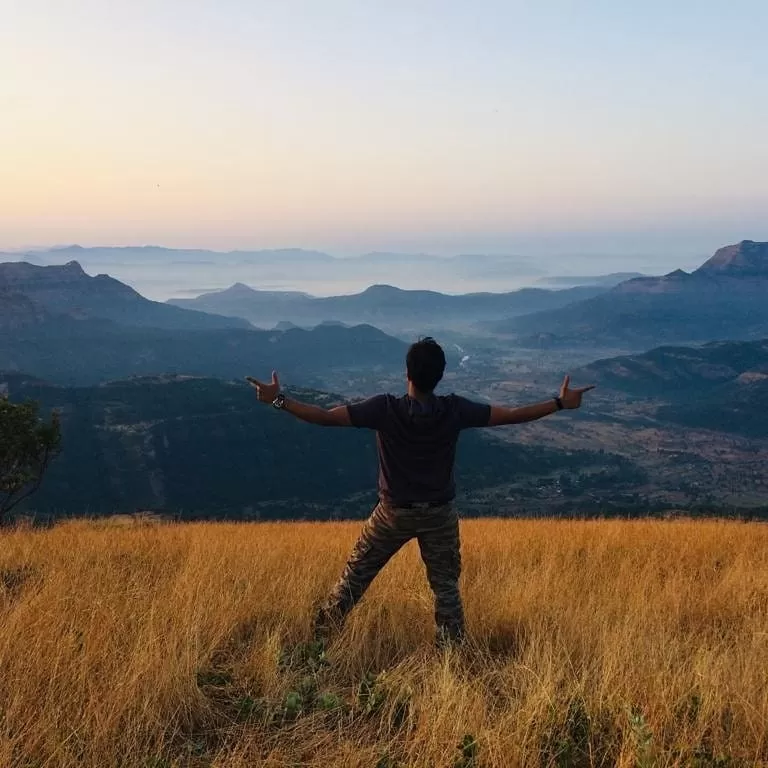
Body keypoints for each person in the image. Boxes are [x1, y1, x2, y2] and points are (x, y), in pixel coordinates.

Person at [247, 337, 594, 645]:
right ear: (440, 376)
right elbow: (514, 415)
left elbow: (323, 416)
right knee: (446, 590)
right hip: (440, 513)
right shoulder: (455, 410)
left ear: (407, 373)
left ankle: (320, 639)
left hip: (393, 513)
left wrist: (278, 401)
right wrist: (560, 403)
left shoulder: (384, 409)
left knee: (355, 577)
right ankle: (451, 655)